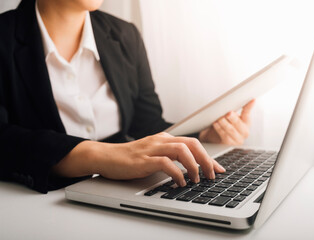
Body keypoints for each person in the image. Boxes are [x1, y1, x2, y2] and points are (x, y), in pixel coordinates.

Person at [0, 0, 255, 193]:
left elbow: (148, 127)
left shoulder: (125, 35)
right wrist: (102, 157)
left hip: (125, 194)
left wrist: (205, 136)